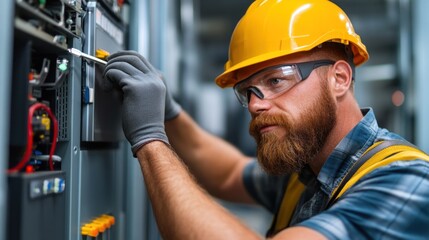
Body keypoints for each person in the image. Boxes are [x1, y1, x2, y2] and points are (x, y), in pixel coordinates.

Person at [103, 0, 429, 239]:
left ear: (340, 79)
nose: (256, 105)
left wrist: (149, 140)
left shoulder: (406, 182)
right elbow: (228, 173)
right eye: (248, 91)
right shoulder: (305, 169)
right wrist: (168, 114)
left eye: (276, 81)